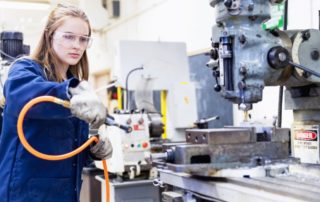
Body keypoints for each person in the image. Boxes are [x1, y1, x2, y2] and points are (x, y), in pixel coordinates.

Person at [0, 4, 112, 202]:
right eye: (69, 36)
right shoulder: (25, 70)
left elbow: (62, 147)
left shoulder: (73, 86)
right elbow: (25, 98)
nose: (77, 45)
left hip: (65, 194)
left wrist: (90, 150)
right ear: (49, 35)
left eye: (83, 39)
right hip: (25, 194)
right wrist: (69, 92)